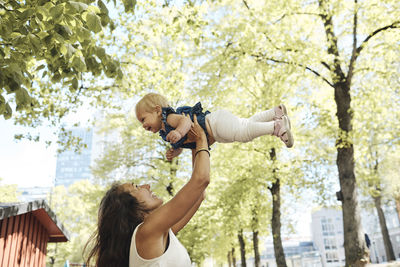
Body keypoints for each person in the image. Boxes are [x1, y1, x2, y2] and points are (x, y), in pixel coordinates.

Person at [84, 115, 210, 267]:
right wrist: (202, 139)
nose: (147, 186)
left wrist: (193, 144)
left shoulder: (160, 231)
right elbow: (201, 180)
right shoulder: (147, 231)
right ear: (129, 207)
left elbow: (199, 194)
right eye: (136, 187)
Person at [135, 92, 294, 161]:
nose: (143, 125)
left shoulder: (168, 118)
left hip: (214, 124)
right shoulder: (165, 132)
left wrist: (177, 131)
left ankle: (276, 126)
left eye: (143, 119)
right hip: (216, 128)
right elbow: (182, 144)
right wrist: (174, 152)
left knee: (244, 133)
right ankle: (274, 113)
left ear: (157, 111)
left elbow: (186, 123)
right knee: (245, 124)